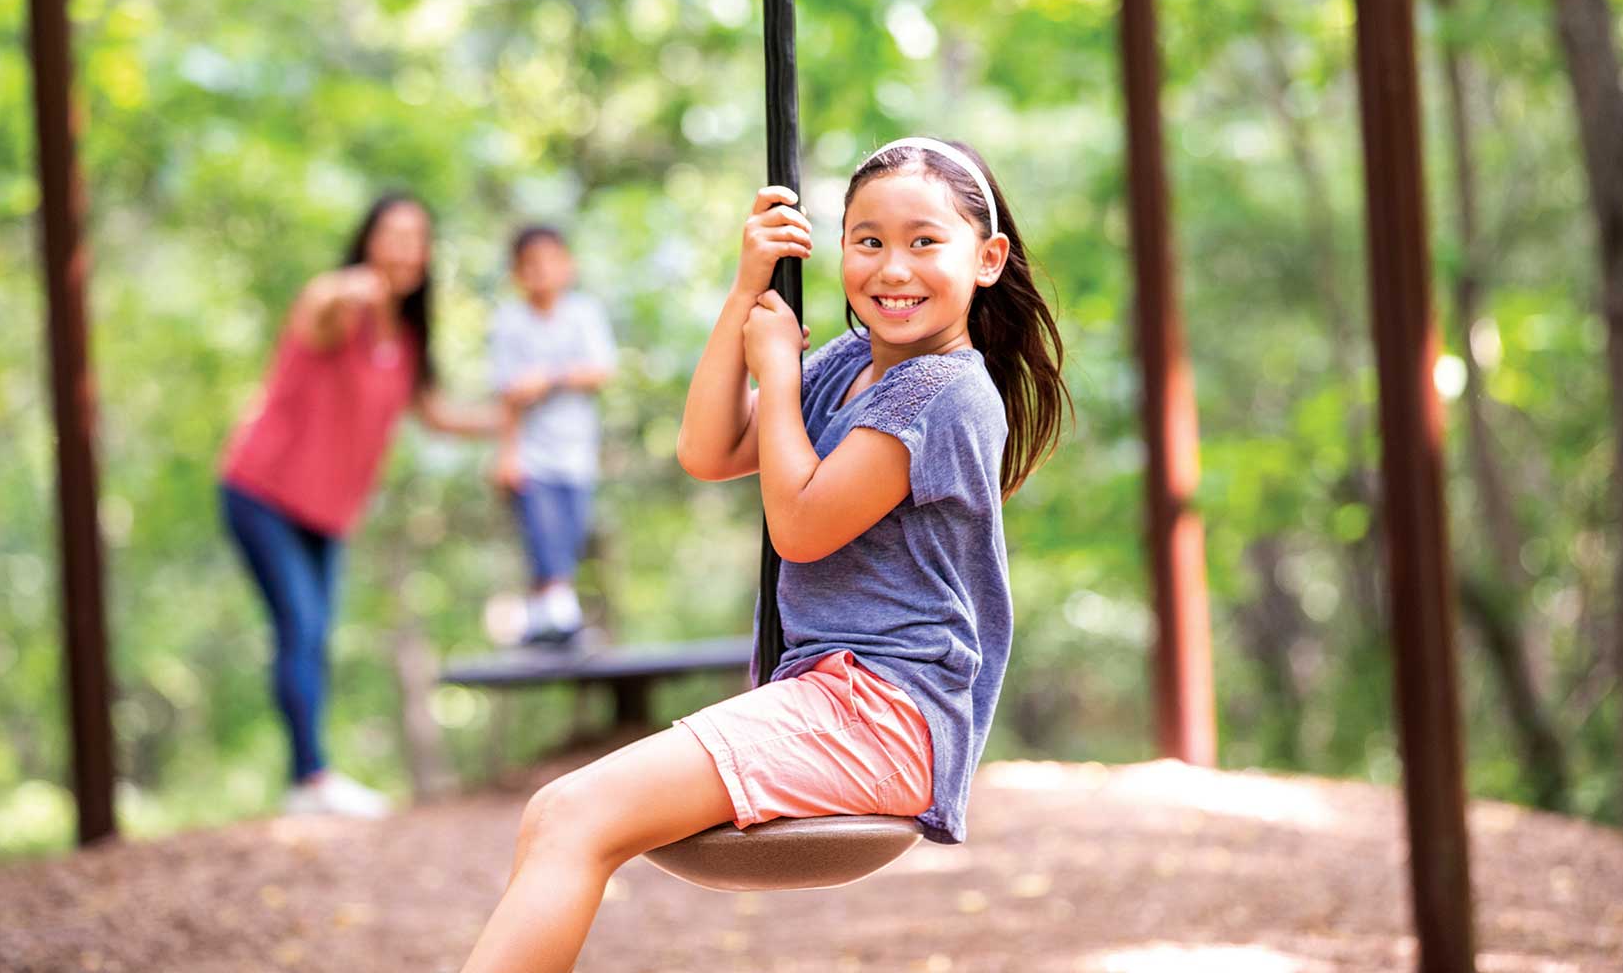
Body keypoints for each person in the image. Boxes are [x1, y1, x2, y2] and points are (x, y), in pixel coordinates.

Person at [459, 138, 1068, 972]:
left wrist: (779, 375)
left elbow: (803, 525)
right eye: (869, 241)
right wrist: (747, 292)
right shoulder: (854, 364)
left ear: (987, 258)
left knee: (572, 815)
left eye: (925, 241)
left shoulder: (945, 392)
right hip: (829, 692)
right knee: (560, 816)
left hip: (886, 712)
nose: (894, 268)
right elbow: (709, 449)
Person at [221, 193, 495, 819]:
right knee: (302, 626)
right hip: (261, 492)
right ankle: (309, 779)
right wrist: (353, 290)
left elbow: (439, 416)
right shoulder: (339, 310)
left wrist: (513, 419)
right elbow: (317, 307)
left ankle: (310, 776)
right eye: (392, 234)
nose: (404, 248)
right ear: (368, 241)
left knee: (316, 636)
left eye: (416, 238)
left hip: (324, 512)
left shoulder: (406, 339)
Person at [484, 225, 617, 646]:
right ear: (517, 273)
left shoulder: (583, 314)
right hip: (532, 453)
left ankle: (544, 621)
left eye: (549, 262)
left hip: (577, 451)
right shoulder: (510, 322)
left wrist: (548, 380)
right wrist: (506, 455)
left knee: (570, 531)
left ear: (567, 266)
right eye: (530, 265)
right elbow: (507, 394)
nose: (540, 273)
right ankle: (561, 616)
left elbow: (600, 371)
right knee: (542, 533)